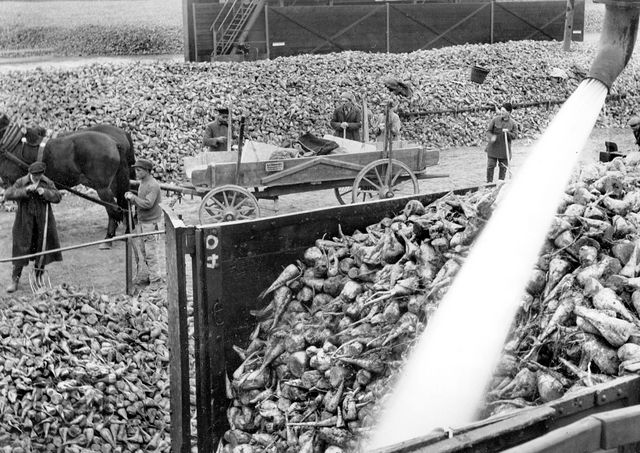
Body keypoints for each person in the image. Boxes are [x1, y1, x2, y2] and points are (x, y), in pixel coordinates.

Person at [4, 162, 62, 293]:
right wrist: (25, 190)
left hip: (42, 222)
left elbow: (58, 197)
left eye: (39, 175)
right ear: (30, 173)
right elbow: (8, 194)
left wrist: (45, 192)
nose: (37, 178)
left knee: (42, 248)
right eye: (35, 175)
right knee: (20, 248)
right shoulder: (21, 182)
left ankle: (38, 276)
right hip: (24, 221)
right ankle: (15, 279)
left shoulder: (47, 182)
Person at [124, 159, 164, 286]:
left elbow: (148, 203)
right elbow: (141, 199)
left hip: (151, 224)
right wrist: (132, 196)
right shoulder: (143, 183)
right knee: (144, 251)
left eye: (138, 170)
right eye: (136, 170)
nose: (136, 172)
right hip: (143, 222)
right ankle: (151, 276)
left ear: (147, 171)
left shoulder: (153, 185)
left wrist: (133, 198)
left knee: (151, 253)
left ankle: (156, 281)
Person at [485, 102, 519, 183]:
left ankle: (500, 184)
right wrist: (492, 137)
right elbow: (488, 131)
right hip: (493, 148)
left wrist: (508, 133)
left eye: (503, 111)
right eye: (501, 110)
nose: (501, 112)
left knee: (503, 168)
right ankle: (489, 184)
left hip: (504, 150)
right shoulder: (495, 120)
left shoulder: (513, 123)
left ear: (509, 112)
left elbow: (515, 136)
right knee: (490, 166)